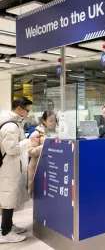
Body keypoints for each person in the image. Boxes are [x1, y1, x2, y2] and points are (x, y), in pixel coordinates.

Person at [0, 97, 39, 244]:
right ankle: (5, 232)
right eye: (27, 110)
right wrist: (30, 140)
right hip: (8, 168)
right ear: (19, 109)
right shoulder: (10, 126)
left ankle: (8, 226)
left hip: (11, 167)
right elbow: (11, 149)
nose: (28, 114)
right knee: (8, 200)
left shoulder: (13, 123)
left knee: (9, 198)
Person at [27, 111, 57, 199]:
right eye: (51, 121)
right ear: (44, 121)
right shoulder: (36, 134)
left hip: (50, 170)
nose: (53, 123)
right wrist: (44, 147)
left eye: (55, 121)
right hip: (37, 169)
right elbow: (30, 152)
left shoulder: (53, 133)